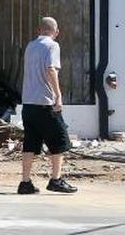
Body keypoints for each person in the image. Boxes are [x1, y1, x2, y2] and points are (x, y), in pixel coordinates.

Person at [18, 16, 77, 194]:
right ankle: (55, 180)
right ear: (56, 32)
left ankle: (25, 182)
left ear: (38, 30)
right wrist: (58, 95)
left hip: (28, 103)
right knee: (60, 140)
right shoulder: (52, 46)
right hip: (45, 103)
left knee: (30, 143)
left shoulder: (30, 46)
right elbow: (51, 70)